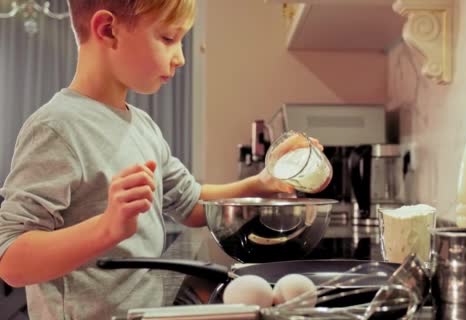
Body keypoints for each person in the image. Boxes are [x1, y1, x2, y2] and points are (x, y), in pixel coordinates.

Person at [0, 1, 318, 319]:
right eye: (168, 38)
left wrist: (262, 183)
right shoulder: (58, 126)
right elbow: (11, 261)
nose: (180, 57)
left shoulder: (143, 126)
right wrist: (105, 228)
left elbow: (191, 204)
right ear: (108, 30)